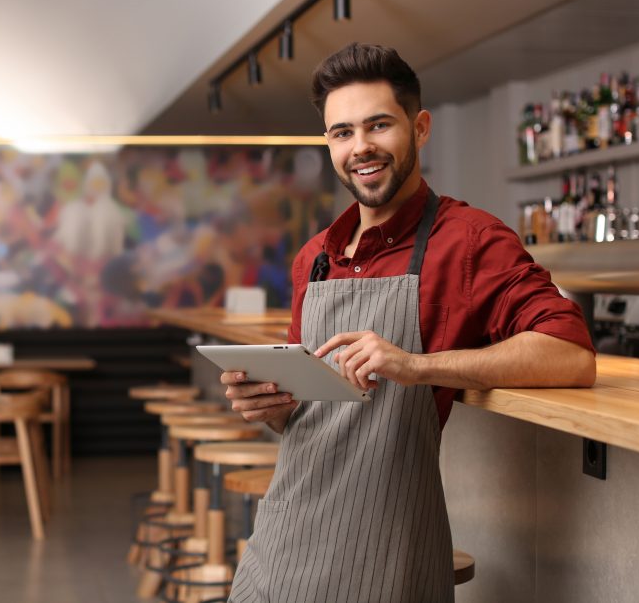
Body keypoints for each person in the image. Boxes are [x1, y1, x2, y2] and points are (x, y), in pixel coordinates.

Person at [222, 43, 596, 603]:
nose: (361, 147)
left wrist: (415, 365)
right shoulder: (314, 258)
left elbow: (571, 354)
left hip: (385, 551)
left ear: (419, 128)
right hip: (282, 536)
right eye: (342, 132)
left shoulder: (469, 241)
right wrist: (272, 408)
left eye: (378, 125)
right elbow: (309, 422)